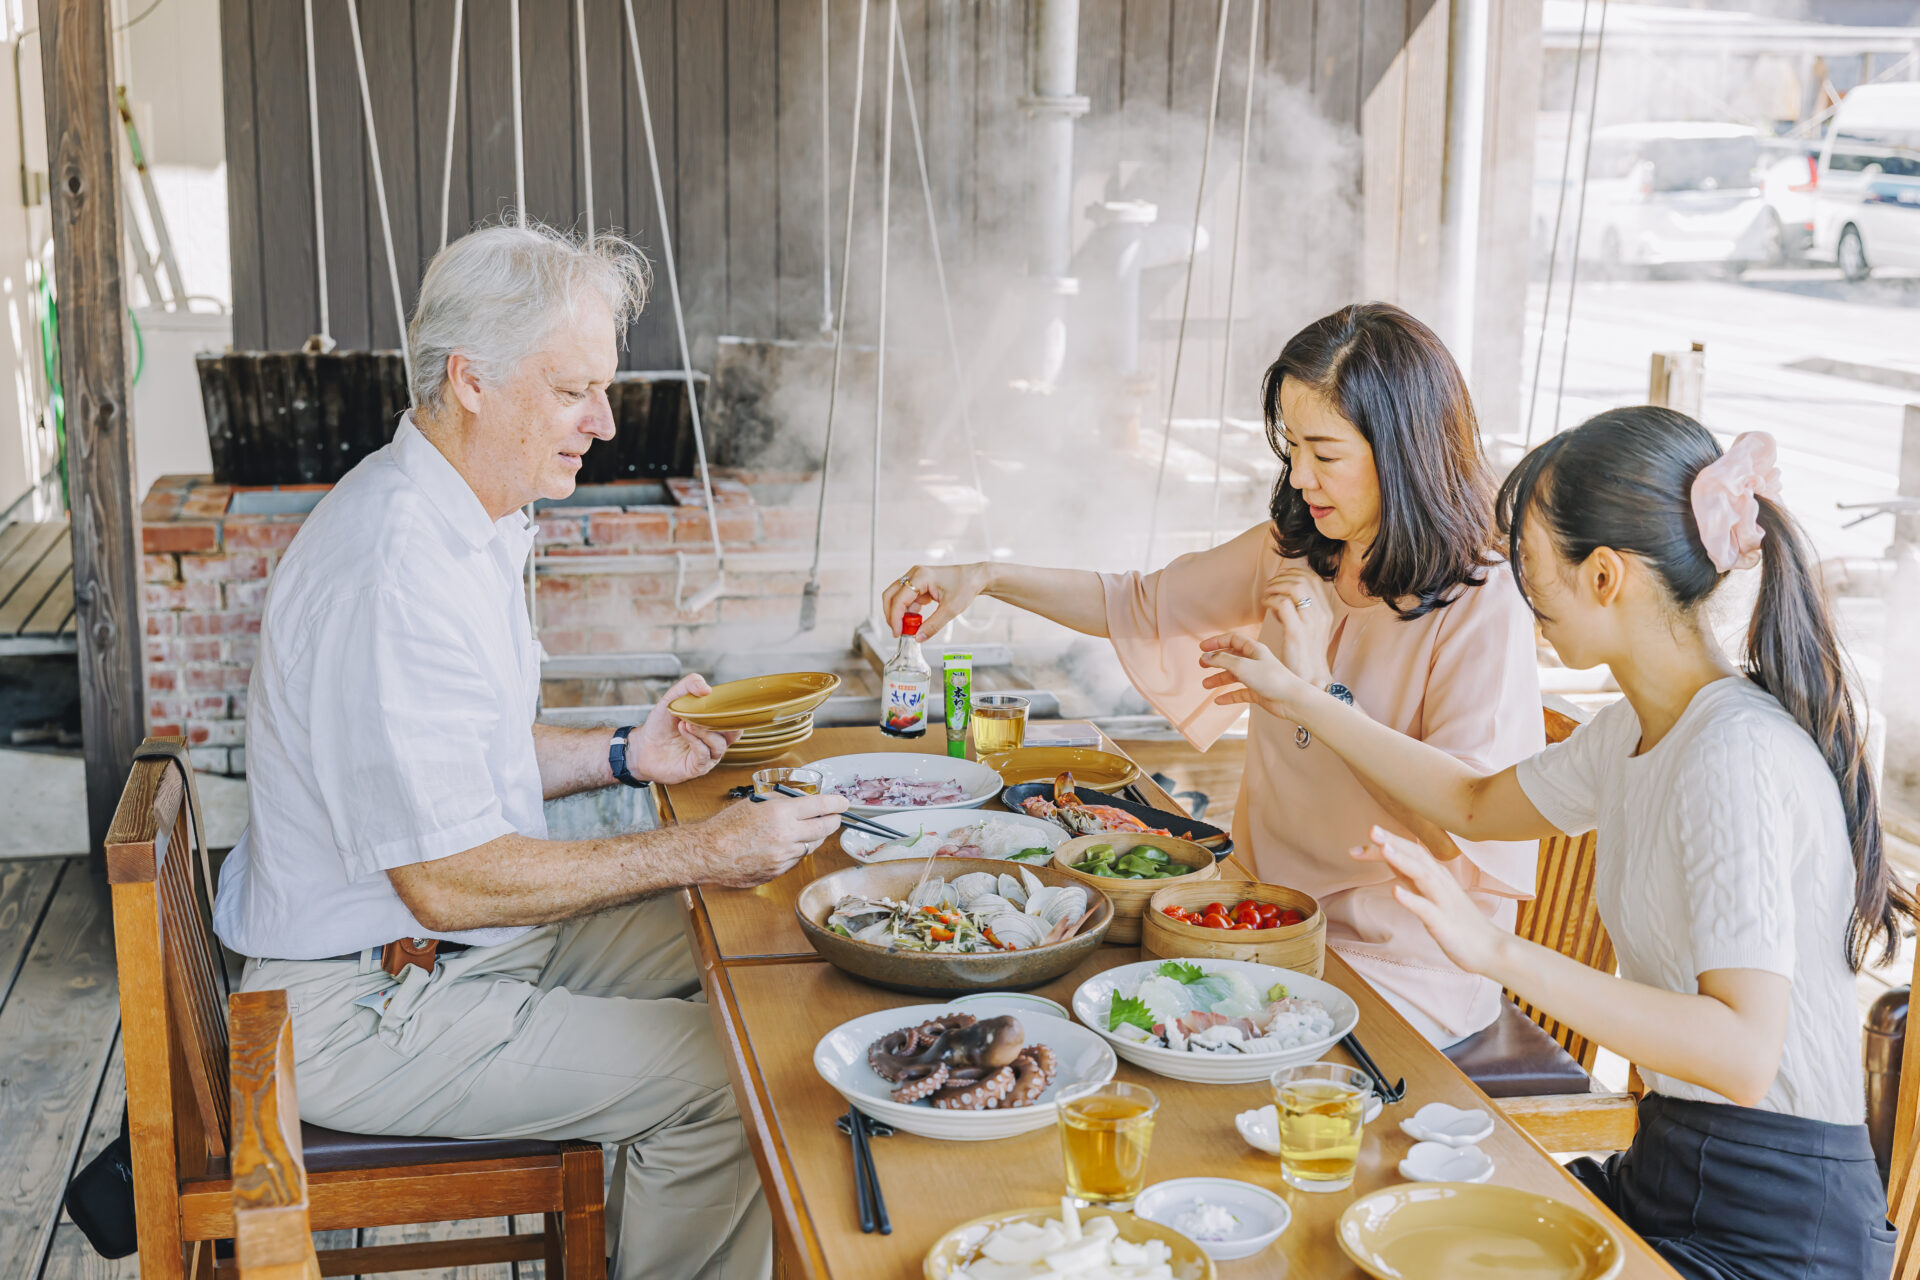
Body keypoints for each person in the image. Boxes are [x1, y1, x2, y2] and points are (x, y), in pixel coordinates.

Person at [212, 223, 848, 1280]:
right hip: (369, 1003)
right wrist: (700, 849)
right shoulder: (396, 573)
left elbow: (465, 761)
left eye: (604, 389)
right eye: (572, 390)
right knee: (742, 1074)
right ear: (472, 379)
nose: (604, 421)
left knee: (772, 934)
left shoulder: (452, 512)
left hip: (441, 952)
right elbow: (449, 880)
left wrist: (626, 753)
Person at [1199, 408, 1907, 1279]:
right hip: (1669, 1172)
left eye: (1529, 565)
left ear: (1605, 575)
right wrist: (1305, 697)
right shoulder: (1638, 731)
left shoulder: (1733, 752)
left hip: (1775, 1235)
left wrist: (1492, 949)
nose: (1520, 593)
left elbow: (1742, 1054)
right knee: (1371, 1234)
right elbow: (1470, 801)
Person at [884, 303, 1543, 1046]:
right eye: (1291, 447)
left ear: (1404, 452)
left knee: (1127, 1036)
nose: (1300, 478)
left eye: (1326, 455)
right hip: (1258, 917)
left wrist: (1318, 694)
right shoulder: (1300, 548)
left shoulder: (1483, 600)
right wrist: (984, 575)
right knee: (1060, 1000)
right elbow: (1140, 601)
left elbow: (1454, 829)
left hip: (1400, 962)